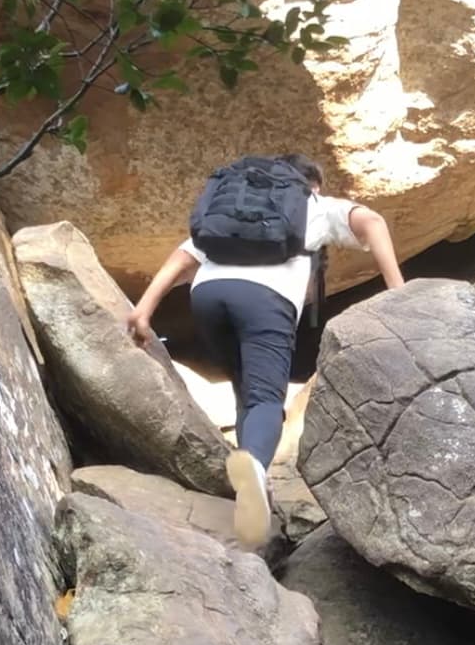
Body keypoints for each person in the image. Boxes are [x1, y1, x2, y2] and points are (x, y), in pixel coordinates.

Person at [125, 154, 404, 546]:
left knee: (246, 390)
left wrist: (144, 310)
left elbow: (184, 257)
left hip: (207, 296)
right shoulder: (313, 204)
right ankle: (255, 465)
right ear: (314, 184)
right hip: (263, 300)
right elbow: (372, 222)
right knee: (267, 400)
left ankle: (251, 480)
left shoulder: (235, 204)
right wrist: (398, 291)